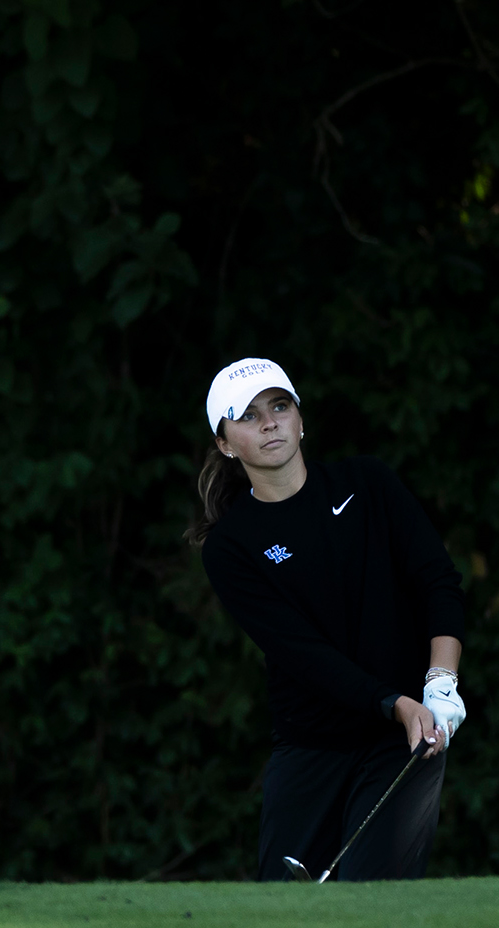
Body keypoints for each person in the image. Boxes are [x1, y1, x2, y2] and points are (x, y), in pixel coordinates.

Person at [187, 357, 467, 881]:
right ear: (225, 443)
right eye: (246, 416)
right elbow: (302, 654)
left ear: (300, 419)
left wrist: (440, 683)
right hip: (311, 745)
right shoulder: (231, 546)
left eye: (278, 405)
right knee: (281, 908)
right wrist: (395, 703)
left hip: (403, 738)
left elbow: (438, 582)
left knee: (372, 903)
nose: (268, 422)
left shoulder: (368, 483)